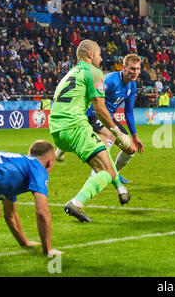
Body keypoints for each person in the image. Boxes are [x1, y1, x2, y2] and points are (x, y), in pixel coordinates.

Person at [49, 39, 131, 222]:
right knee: (106, 171)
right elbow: (100, 109)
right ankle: (77, 202)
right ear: (91, 54)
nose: (101, 59)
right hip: (75, 126)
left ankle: (120, 188)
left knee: (104, 157)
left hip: (56, 129)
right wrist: (118, 133)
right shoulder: (94, 72)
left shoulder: (70, 73)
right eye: (100, 54)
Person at [0, 140, 62, 256]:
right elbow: (42, 212)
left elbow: (11, 215)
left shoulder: (13, 171)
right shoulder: (38, 168)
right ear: (49, 162)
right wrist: (47, 250)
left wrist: (24, 242)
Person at [84, 54, 144, 184]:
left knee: (131, 150)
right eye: (133, 69)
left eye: (138, 69)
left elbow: (128, 112)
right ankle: (93, 181)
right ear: (124, 68)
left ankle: (114, 174)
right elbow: (91, 95)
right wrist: (88, 118)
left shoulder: (132, 85)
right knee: (107, 141)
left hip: (109, 118)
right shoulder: (110, 80)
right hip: (95, 114)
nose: (136, 72)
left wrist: (135, 136)